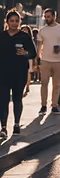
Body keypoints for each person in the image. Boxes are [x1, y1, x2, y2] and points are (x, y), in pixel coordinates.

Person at [0, 10, 37, 138]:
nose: (14, 23)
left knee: (17, 99)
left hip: (20, 72)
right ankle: (3, 127)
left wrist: (25, 53)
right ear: (7, 22)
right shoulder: (2, 36)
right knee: (3, 100)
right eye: (12, 21)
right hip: (3, 73)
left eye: (17, 21)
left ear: (19, 22)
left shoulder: (24, 37)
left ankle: (16, 124)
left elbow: (33, 53)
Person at [37, 9, 60, 115]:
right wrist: (38, 58)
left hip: (58, 61)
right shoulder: (42, 30)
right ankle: (43, 106)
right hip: (45, 60)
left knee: (56, 84)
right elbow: (39, 45)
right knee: (44, 83)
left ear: (54, 16)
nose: (46, 19)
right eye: (45, 17)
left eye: (48, 17)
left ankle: (54, 105)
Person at [21, 24, 34, 96]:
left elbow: (33, 51)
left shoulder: (29, 39)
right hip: (20, 58)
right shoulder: (18, 38)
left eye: (26, 30)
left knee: (28, 72)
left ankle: (27, 86)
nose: (24, 31)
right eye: (23, 29)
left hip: (28, 57)